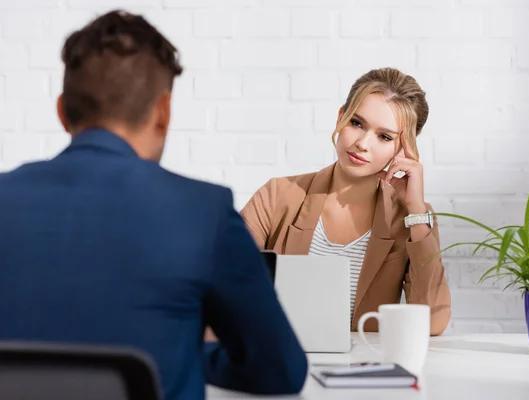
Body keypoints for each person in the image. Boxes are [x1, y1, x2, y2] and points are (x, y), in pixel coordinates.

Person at [0, 10, 307, 400]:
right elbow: (280, 368)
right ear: (163, 112)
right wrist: (198, 353)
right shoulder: (203, 212)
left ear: (62, 111)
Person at [241, 68, 451, 335]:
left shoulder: (412, 218)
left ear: (403, 148)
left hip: (365, 367)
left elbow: (433, 322)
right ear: (341, 117)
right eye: (356, 123)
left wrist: (416, 210)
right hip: (282, 360)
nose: (362, 143)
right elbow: (224, 282)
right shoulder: (277, 195)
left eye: (384, 137)